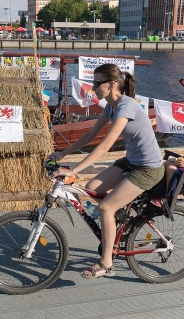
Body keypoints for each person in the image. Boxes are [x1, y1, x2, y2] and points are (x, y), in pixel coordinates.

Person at [47, 63, 164, 279]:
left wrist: (73, 169)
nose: (92, 88)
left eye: (96, 83)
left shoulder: (126, 106)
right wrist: (63, 154)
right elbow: (91, 136)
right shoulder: (111, 106)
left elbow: (104, 146)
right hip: (131, 161)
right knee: (91, 189)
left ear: (110, 85)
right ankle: (123, 224)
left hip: (148, 168)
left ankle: (107, 263)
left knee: (105, 208)